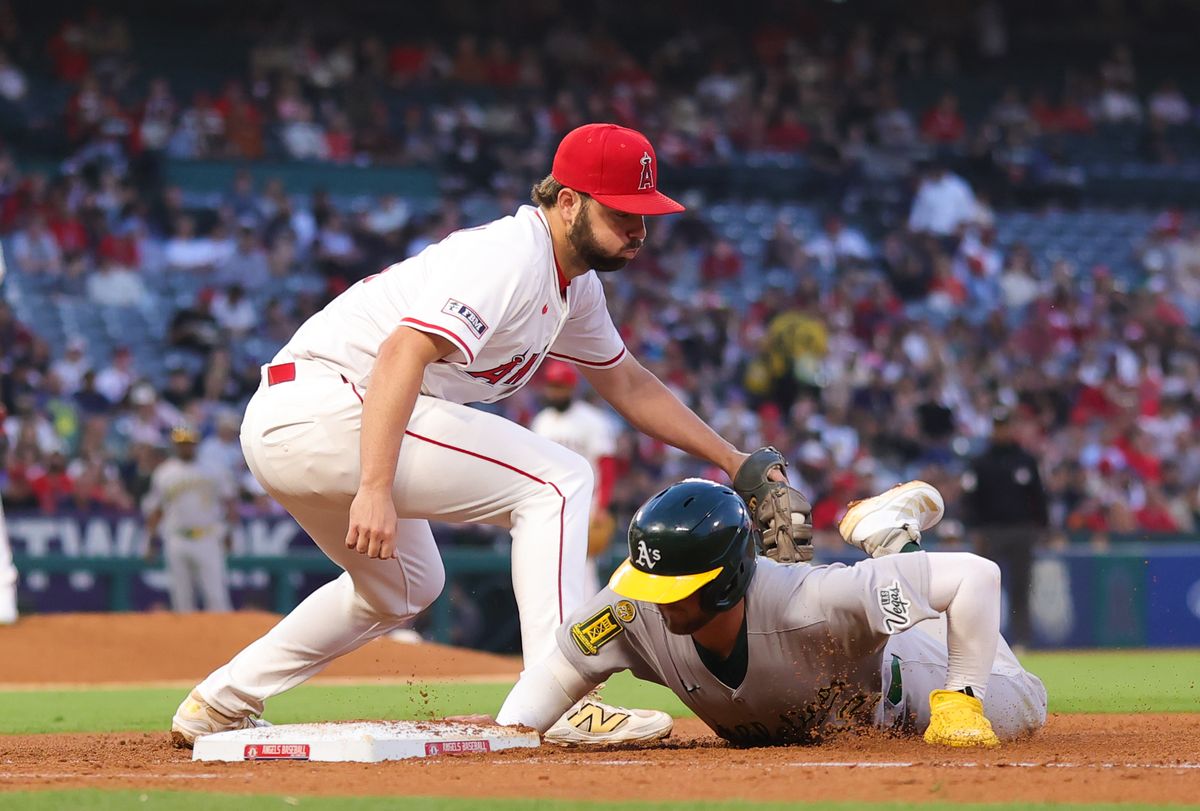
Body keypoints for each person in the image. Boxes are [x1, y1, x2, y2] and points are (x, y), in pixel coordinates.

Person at [169, 123, 800, 748]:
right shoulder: (510, 257)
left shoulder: (574, 289)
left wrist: (732, 457)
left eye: (645, 214)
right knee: (558, 481)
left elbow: (630, 385)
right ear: (569, 202)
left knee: (407, 586)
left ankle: (221, 701)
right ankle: (565, 697)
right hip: (329, 405)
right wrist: (374, 486)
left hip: (304, 419)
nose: (639, 230)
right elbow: (400, 353)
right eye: (623, 212)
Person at [491, 480, 1047, 747]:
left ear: (729, 577)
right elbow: (556, 674)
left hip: (910, 683)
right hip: (841, 670)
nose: (658, 598)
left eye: (678, 586)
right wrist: (508, 736)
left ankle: (893, 539)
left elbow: (978, 575)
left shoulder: (812, 602)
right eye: (648, 582)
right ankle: (894, 544)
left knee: (1026, 704)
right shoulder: (632, 608)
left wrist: (964, 695)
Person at [529, 360, 620, 595]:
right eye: (551, 385)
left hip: (584, 502)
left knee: (582, 567)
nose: (554, 391)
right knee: (548, 566)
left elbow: (606, 464)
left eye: (560, 386)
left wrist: (602, 505)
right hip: (549, 501)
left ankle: (586, 621)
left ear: (572, 387)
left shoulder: (591, 420)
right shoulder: (541, 422)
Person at [962, 409, 1048, 648]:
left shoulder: (1025, 460)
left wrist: (1041, 528)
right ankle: (982, 641)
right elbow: (970, 499)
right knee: (984, 590)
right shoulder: (981, 462)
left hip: (1021, 530)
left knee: (1021, 586)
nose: (1002, 430)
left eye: (1006, 425)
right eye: (998, 426)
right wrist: (975, 530)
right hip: (991, 532)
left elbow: (1038, 497)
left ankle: (1022, 641)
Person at [143, 425, 238, 613]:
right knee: (181, 598)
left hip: (208, 536)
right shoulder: (165, 473)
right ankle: (185, 641)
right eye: (182, 443)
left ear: (197, 443)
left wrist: (229, 532)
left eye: (189, 443)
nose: (186, 447)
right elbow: (156, 509)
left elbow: (229, 503)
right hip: (177, 537)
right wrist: (151, 540)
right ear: (175, 445)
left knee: (216, 597)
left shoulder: (213, 469)